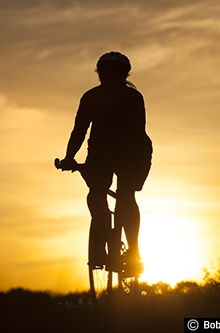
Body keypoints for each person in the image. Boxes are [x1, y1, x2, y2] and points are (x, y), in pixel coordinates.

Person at [59, 51, 152, 276]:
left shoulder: (92, 97)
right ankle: (132, 253)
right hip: (132, 153)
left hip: (107, 153)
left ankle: (105, 240)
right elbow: (139, 131)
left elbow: (80, 130)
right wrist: (70, 156)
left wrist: (69, 159)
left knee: (98, 192)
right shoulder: (134, 97)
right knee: (127, 196)